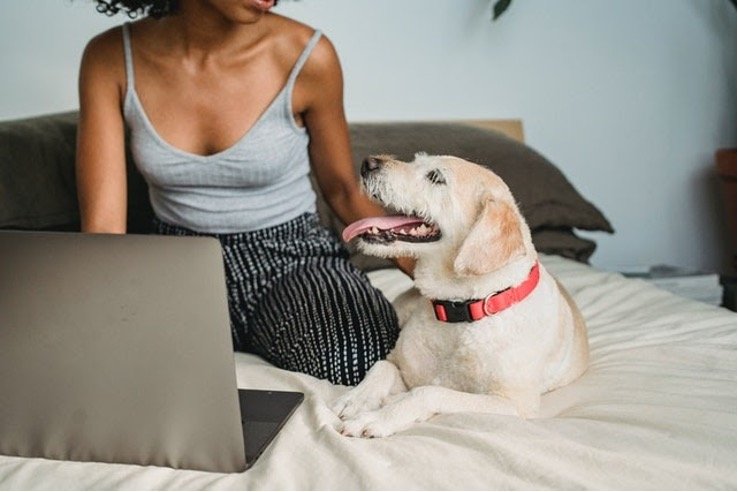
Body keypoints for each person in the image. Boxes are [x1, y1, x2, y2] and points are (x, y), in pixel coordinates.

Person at [75, 0, 412, 386]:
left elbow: (343, 191)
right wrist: (105, 319)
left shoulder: (308, 55)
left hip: (292, 258)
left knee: (362, 362)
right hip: (176, 265)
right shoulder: (111, 57)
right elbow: (103, 226)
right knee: (129, 376)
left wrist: (423, 266)